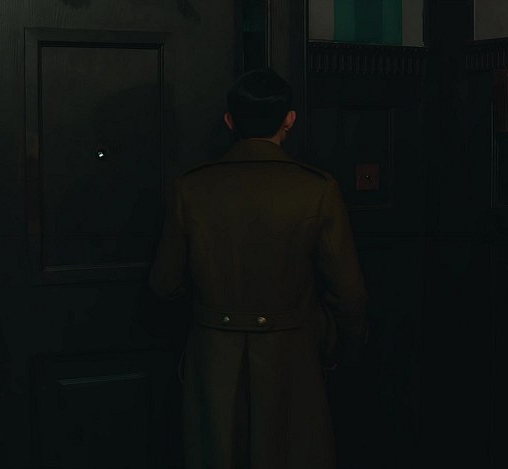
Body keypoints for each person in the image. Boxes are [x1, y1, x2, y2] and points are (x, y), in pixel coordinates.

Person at [149, 68, 368, 469]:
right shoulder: (316, 188)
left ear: (230, 121)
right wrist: (339, 348)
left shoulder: (191, 187)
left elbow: (164, 284)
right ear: (289, 119)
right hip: (292, 354)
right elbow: (348, 293)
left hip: (213, 354)